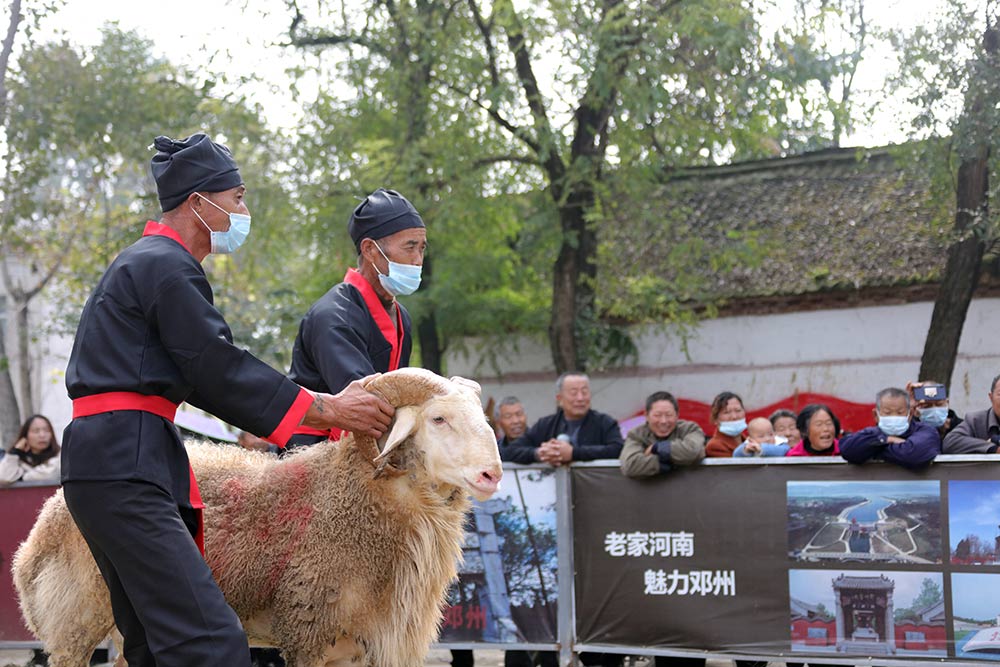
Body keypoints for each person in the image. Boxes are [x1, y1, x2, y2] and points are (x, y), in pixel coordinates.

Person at [60, 132, 394, 667]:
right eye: (237, 198)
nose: (244, 210)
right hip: (125, 461)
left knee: (153, 644)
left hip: (110, 458)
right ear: (199, 202)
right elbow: (217, 368)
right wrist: (329, 408)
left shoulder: (142, 263)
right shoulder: (165, 265)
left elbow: (209, 369)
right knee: (210, 645)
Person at [287, 188, 425, 447]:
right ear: (371, 249)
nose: (418, 260)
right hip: (314, 456)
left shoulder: (400, 316)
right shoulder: (334, 316)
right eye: (410, 247)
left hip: (368, 448)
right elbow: (369, 401)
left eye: (421, 248)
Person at [500, 372, 623, 465]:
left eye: (584, 392)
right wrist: (539, 453)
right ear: (560, 399)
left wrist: (573, 453)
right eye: (574, 393)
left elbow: (617, 449)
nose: (580, 398)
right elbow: (511, 450)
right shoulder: (545, 425)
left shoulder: (605, 422)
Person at [839, 387, 941, 468]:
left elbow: (913, 454)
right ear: (876, 415)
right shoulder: (872, 433)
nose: (894, 417)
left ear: (910, 414)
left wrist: (873, 449)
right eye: (887, 413)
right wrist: (887, 439)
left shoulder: (926, 431)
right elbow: (848, 449)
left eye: (900, 412)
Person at [620, 390, 706, 477]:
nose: (663, 421)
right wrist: (675, 461)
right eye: (657, 415)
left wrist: (656, 448)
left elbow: (694, 451)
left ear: (677, 415)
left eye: (669, 415)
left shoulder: (690, 429)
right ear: (646, 416)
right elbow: (631, 465)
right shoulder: (636, 435)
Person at [943, 373, 1000, 454]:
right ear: (991, 397)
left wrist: (995, 440)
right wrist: (992, 448)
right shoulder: (975, 420)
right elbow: (950, 442)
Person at [0, 414, 61, 484]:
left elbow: (51, 474)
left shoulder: (61, 456)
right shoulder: (18, 460)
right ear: (25, 436)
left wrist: (20, 478)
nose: (42, 435)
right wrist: (15, 452)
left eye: (46, 430)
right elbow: (3, 477)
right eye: (36, 431)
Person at [704, 391, 747, 457]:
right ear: (715, 419)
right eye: (726, 412)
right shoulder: (714, 446)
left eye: (738, 410)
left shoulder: (751, 441)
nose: (734, 417)